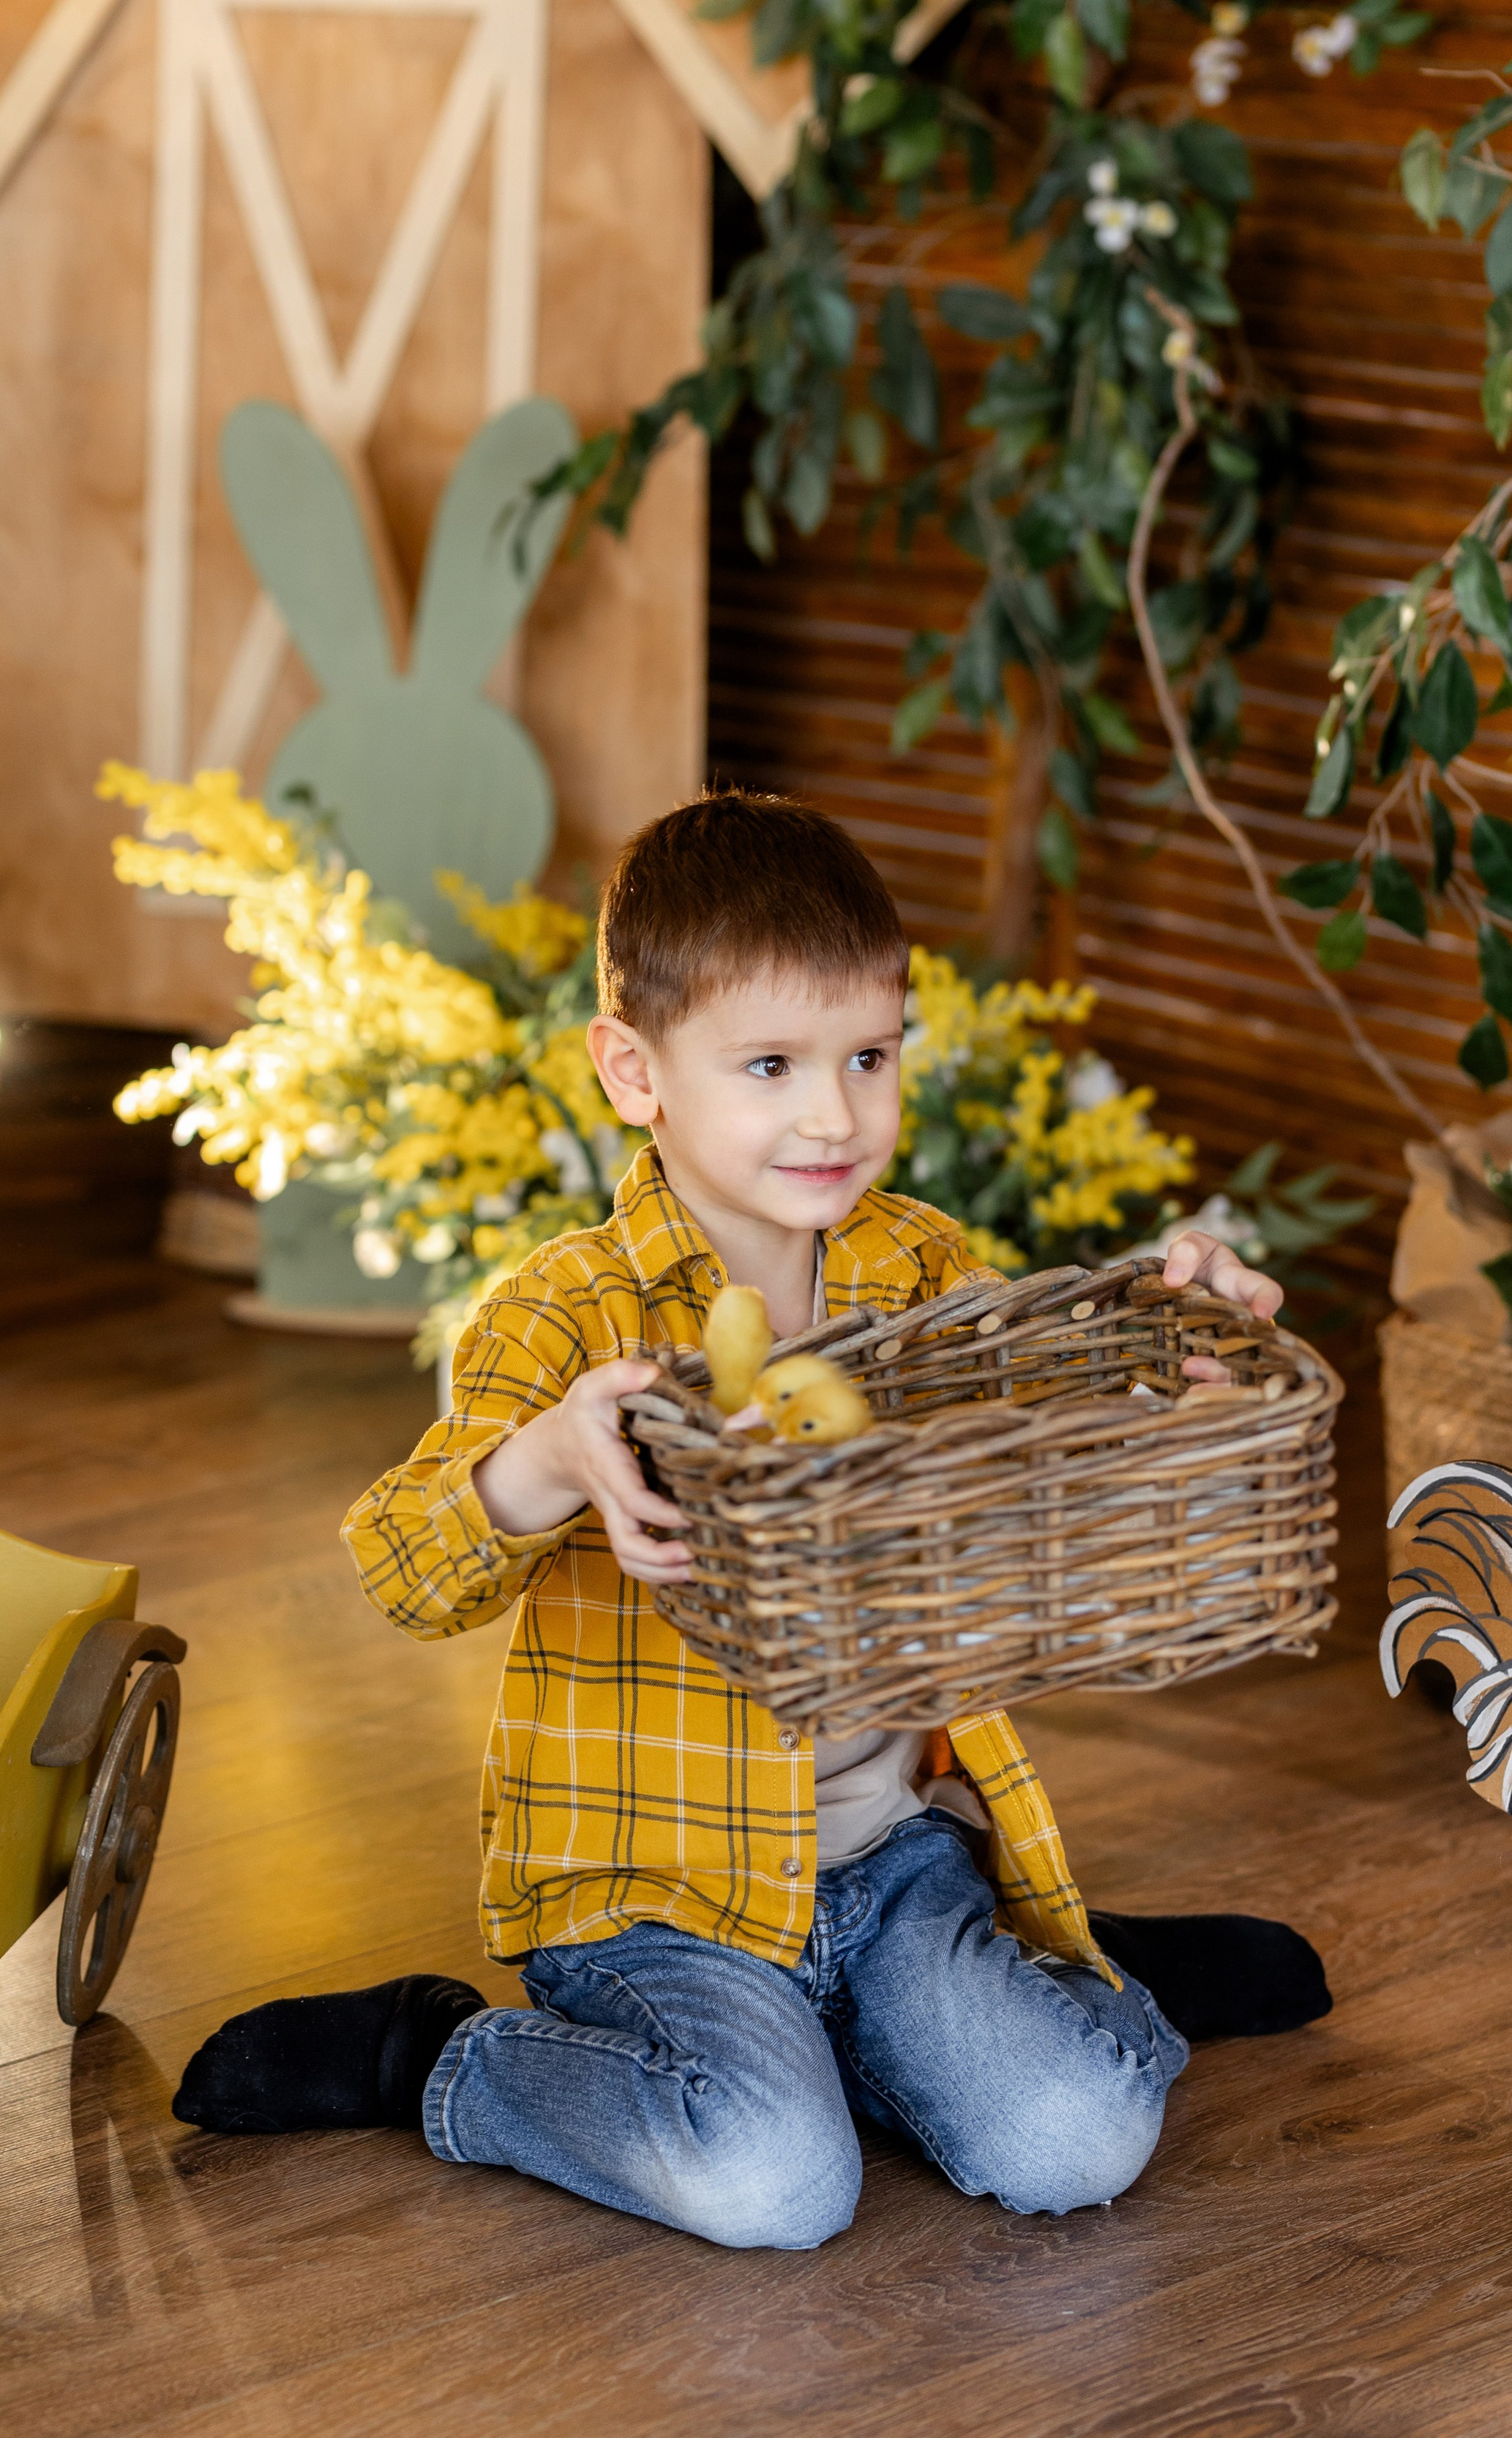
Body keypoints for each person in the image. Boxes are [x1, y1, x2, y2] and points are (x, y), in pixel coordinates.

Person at [174, 791, 1330, 2243]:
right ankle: (441, 2058)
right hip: (656, 1887)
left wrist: (1171, 1342)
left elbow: (1045, 1415)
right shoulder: (563, 1309)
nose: (832, 1113)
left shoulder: (918, 1268)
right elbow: (403, 1566)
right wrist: (543, 1458)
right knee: (773, 2187)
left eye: (866, 1056)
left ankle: (1039, 1986)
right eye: (770, 1064)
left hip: (892, 1855)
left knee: (1074, 2145)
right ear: (632, 1071)